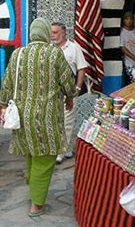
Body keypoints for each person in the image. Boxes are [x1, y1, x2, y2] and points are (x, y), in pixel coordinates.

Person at [0, 18, 76, 217]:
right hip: (47, 119)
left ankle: (34, 192)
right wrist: (69, 97)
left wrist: (3, 106)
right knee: (45, 158)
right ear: (45, 33)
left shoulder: (18, 54)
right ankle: (37, 205)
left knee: (31, 155)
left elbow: (7, 83)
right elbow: (68, 82)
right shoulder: (54, 53)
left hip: (23, 118)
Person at [51, 22, 87, 164]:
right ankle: (67, 149)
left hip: (69, 92)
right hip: (54, 93)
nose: (53, 36)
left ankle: (60, 151)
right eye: (51, 33)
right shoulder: (50, 49)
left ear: (64, 33)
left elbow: (81, 68)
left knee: (66, 122)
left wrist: (77, 88)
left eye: (55, 32)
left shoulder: (74, 48)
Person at [120, 12, 135, 85]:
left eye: (131, 19)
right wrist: (134, 58)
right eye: (127, 19)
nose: (129, 21)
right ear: (123, 20)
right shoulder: (122, 32)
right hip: (129, 62)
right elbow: (123, 48)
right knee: (134, 81)